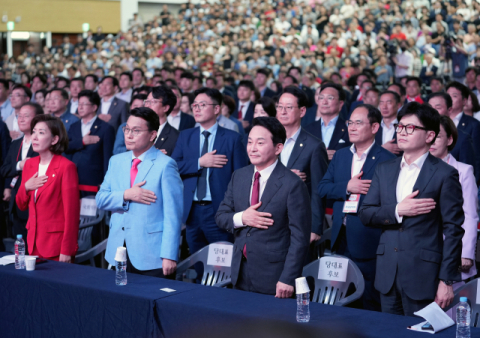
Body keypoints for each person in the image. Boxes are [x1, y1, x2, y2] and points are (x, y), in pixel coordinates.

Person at [358, 102, 464, 316]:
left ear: (429, 136)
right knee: (386, 331)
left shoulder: (444, 174)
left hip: (424, 274)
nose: (402, 132)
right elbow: (366, 213)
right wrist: (398, 210)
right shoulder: (384, 169)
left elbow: (453, 230)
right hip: (387, 271)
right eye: (400, 126)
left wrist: (446, 280)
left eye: (411, 128)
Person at [215, 117, 311, 297]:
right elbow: (221, 215)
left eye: (260, 143)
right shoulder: (240, 176)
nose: (252, 148)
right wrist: (242, 218)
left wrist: (288, 278)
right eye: (250, 142)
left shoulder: (292, 184)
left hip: (274, 276)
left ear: (278, 148)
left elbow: (300, 238)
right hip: (239, 269)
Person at [318, 104, 396, 311]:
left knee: (369, 300)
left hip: (369, 239)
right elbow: (322, 188)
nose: (352, 127)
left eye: (358, 123)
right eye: (350, 122)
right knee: (340, 297)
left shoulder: (387, 160)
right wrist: (347, 187)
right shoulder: (342, 155)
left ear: (374, 127)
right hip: (340, 236)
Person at [96, 107, 183, 278]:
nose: (128, 135)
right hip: (118, 248)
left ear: (152, 135)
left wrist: (169, 255)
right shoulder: (116, 161)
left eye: (136, 131)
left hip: (152, 253)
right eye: (126, 129)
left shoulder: (166, 165)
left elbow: (173, 214)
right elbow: (100, 199)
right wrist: (126, 195)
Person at [171, 87, 247, 259]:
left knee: (221, 264)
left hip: (219, 211)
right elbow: (172, 166)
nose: (196, 108)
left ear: (217, 109)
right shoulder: (185, 136)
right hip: (192, 211)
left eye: (202, 105)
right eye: (194, 105)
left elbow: (241, 177)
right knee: (197, 261)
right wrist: (199, 162)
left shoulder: (231, 138)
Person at [16, 115, 80, 262]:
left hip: (56, 246)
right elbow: (21, 204)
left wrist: (67, 249)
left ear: (54, 139)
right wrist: (26, 187)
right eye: (34, 132)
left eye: (41, 132)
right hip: (32, 243)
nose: (35, 137)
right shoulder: (29, 164)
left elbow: (72, 213)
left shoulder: (66, 167)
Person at [429, 116, 477, 284]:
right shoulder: (416, 169)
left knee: (451, 301)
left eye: (438, 136)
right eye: (429, 135)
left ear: (449, 139)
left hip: (452, 247)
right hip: (423, 248)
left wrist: (466, 252)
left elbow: (470, 214)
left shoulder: (464, 171)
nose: (432, 141)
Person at [276, 86, 328, 243]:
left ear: (302, 111)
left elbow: (319, 190)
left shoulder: (314, 146)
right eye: (280, 107)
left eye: (289, 107)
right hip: (268, 220)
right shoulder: (267, 141)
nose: (283, 111)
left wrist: (315, 227)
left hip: (298, 222)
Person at [0, 102, 41, 247]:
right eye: (19, 116)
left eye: (26, 116)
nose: (21, 119)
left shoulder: (43, 143)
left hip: (37, 202)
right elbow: (4, 170)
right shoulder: (15, 143)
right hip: (17, 201)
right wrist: (19, 165)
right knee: (21, 247)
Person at [65, 90, 115, 196]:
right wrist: (82, 141)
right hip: (72, 176)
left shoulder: (106, 128)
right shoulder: (74, 126)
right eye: (79, 104)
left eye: (84, 104)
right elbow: (65, 146)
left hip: (94, 179)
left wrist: (106, 182)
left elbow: (107, 157)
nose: (80, 107)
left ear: (94, 107)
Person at [428, 92, 476, 175]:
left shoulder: (462, 138)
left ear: (449, 110)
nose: (433, 112)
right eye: (430, 108)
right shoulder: (420, 134)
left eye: (437, 108)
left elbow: (470, 171)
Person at [305, 83, 351, 161]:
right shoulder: (307, 130)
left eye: (330, 98)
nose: (324, 102)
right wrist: (320, 155)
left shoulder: (349, 128)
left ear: (340, 104)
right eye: (321, 98)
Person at [446, 81, 480, 183]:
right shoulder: (440, 122)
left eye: (454, 95)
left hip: (463, 179)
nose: (450, 98)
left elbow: (477, 157)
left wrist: (474, 181)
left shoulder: (473, 124)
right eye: (447, 95)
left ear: (464, 101)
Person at [145, 86, 179, 156]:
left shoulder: (176, 137)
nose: (147, 105)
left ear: (165, 108)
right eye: (147, 101)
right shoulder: (138, 129)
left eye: (152, 102)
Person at [377, 91, 401, 156]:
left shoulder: (404, 126)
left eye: (389, 103)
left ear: (398, 105)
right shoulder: (374, 126)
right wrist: (382, 149)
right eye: (381, 103)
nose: (384, 107)